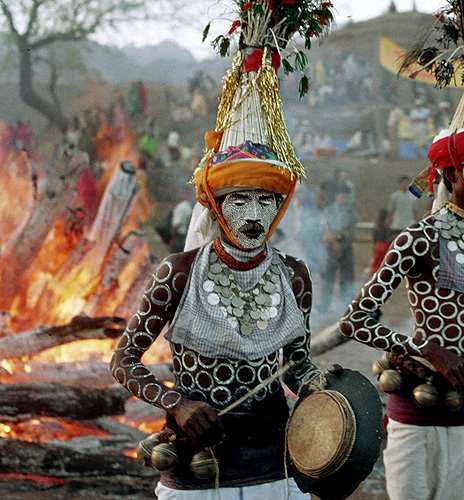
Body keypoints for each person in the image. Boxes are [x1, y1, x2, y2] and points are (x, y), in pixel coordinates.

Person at [109, 15, 332, 494]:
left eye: (265, 199)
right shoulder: (180, 272)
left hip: (278, 465)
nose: (254, 214)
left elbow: (295, 360)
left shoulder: (293, 276)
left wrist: (319, 383)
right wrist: (175, 404)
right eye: (239, 199)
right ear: (214, 204)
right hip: (195, 468)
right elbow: (124, 358)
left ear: (278, 205)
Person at [339, 126, 464, 500]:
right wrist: (427, 350)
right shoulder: (418, 238)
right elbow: (354, 320)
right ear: (451, 173)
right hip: (420, 412)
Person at [318, 182, 358, 312]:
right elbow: (324, 229)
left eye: (347, 196)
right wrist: (335, 243)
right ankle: (324, 305)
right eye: (342, 196)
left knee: (347, 278)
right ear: (336, 196)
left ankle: (346, 307)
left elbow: (351, 233)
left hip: (346, 247)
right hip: (330, 248)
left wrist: (339, 238)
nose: (345, 198)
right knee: (328, 278)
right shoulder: (329, 210)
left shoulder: (352, 212)